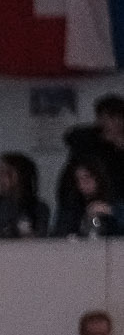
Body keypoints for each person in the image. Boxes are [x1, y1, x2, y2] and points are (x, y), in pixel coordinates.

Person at [58, 96, 124, 233]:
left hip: (116, 205)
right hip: (85, 201)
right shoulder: (88, 144)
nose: (112, 123)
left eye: (116, 118)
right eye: (106, 118)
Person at [0, 152, 49, 239]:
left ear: (22, 176)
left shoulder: (39, 208)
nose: (0, 179)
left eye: (7, 173)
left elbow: (40, 237)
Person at [55, 158, 122, 238]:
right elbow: (60, 232)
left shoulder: (115, 199)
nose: (82, 183)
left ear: (98, 177)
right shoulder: (72, 206)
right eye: (78, 180)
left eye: (87, 177)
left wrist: (110, 210)